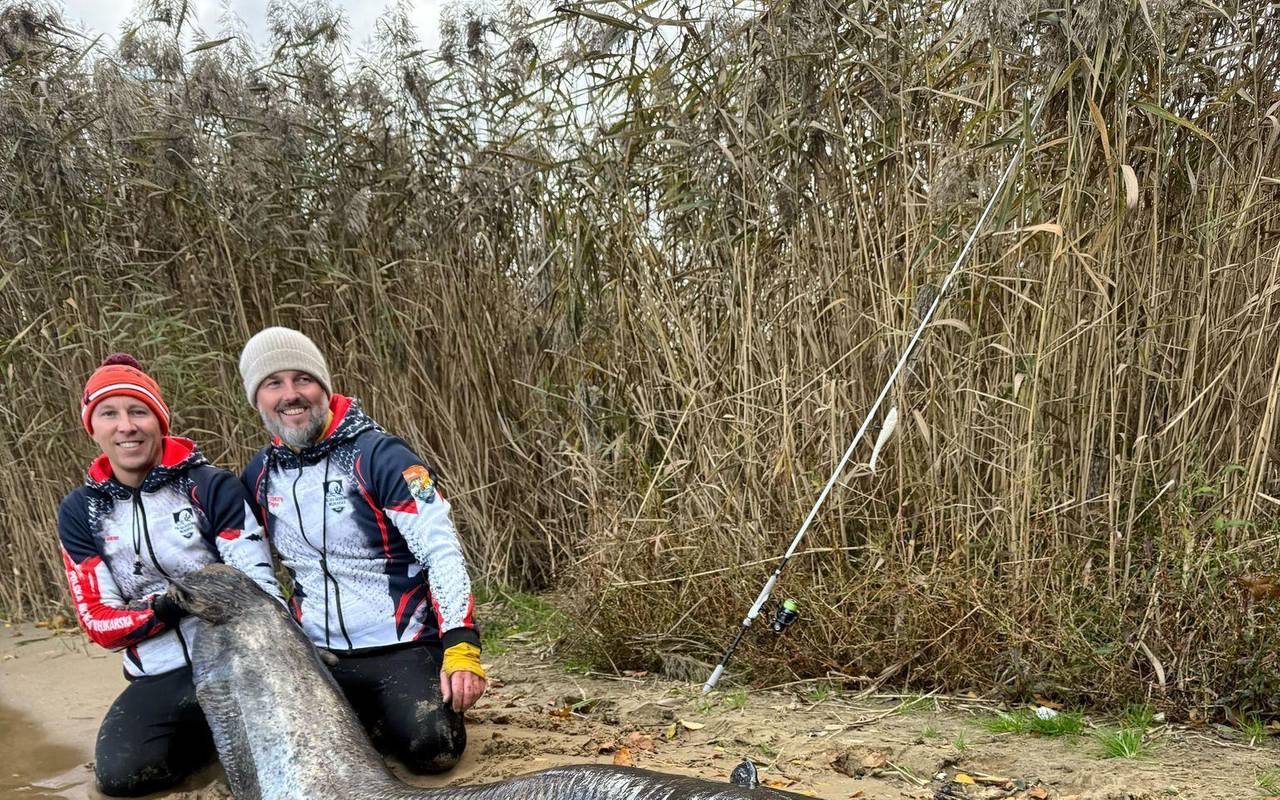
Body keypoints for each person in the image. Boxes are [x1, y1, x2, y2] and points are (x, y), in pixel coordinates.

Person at [237, 326, 486, 774]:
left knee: (434, 751)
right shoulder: (258, 474)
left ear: (324, 388)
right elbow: (248, 570)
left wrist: (461, 644)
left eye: (303, 380)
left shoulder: (381, 455)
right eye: (274, 383)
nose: (291, 395)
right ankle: (368, 717)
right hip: (315, 651)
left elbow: (441, 551)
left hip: (403, 644)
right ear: (257, 399)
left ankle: (397, 710)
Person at [58, 354, 281, 797]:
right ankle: (206, 741)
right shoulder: (79, 511)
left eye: (139, 411)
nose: (126, 426)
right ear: (93, 427)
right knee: (122, 777)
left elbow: (259, 592)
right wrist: (166, 608)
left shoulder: (210, 485)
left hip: (237, 663)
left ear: (159, 420)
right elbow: (98, 621)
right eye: (109, 414)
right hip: (157, 673)